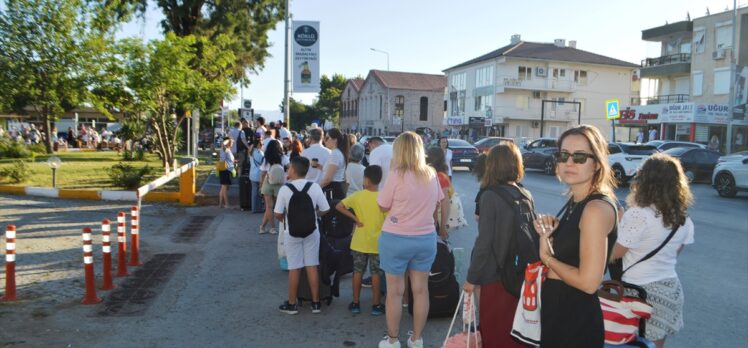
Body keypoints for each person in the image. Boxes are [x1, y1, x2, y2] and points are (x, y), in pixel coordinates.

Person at [533, 125, 618, 348]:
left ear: (597, 163)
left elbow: (589, 283)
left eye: (580, 156)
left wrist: (547, 258)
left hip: (574, 323)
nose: (569, 162)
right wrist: (548, 234)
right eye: (563, 155)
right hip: (560, 315)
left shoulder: (594, 209)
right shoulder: (577, 202)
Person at [611, 154, 694, 348]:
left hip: (640, 292)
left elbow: (616, 253)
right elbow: (673, 254)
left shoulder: (639, 214)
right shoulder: (683, 219)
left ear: (645, 181)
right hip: (670, 290)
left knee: (627, 343)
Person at [461, 143, 534, 347]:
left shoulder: (490, 195)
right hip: (520, 277)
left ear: (491, 165)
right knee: (516, 332)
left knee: (494, 333)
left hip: (493, 277)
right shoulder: (525, 194)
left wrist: (471, 278)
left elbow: (484, 243)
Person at [377, 132, 444, 348]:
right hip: (425, 239)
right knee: (421, 290)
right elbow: (438, 203)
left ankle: (393, 340)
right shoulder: (431, 173)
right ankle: (417, 339)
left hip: (395, 238)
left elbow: (382, 205)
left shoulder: (396, 174)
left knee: (395, 292)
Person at [274, 156, 330, 315]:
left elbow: (277, 213)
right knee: (312, 265)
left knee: (294, 268)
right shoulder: (315, 187)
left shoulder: (285, 189)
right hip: (312, 231)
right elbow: (325, 209)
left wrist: (287, 218)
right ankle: (316, 303)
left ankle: (292, 304)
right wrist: (315, 214)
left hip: (291, 232)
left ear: (293, 170)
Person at [336, 165, 386, 316]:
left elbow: (339, 206)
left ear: (366, 180)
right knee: (376, 273)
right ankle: (376, 305)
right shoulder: (383, 197)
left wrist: (355, 219)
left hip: (359, 242)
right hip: (378, 243)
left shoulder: (358, 196)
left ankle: (356, 303)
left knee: (357, 272)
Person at [259, 139, 289, 234]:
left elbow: (263, 173)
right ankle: (279, 226)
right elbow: (290, 168)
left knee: (269, 207)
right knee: (279, 207)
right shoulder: (283, 157)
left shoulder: (266, 158)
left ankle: (269, 227)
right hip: (280, 184)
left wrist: (260, 185)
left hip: (268, 182)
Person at [426, 146, 451, 240]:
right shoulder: (441, 176)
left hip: (429, 222)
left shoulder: (430, 176)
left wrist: (442, 226)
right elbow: (444, 202)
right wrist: (442, 226)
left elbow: (444, 202)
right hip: (432, 222)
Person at [319, 128, 350, 200]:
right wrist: (320, 167)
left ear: (335, 139)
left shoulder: (335, 154)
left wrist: (315, 188)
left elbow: (328, 179)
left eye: (327, 138)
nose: (324, 141)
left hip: (332, 189)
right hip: (336, 188)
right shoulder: (338, 152)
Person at [248, 138, 265, 214]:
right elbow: (263, 163)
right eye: (261, 144)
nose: (262, 145)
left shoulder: (252, 152)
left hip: (252, 174)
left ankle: (254, 208)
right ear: (258, 144)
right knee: (259, 192)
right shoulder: (260, 153)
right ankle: (258, 208)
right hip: (259, 175)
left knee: (254, 192)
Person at [218, 137, 235, 209]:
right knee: (225, 187)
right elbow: (222, 144)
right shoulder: (224, 149)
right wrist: (228, 140)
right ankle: (227, 204)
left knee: (223, 188)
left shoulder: (228, 150)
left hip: (227, 169)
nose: (233, 143)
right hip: (225, 170)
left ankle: (220, 204)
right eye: (232, 142)